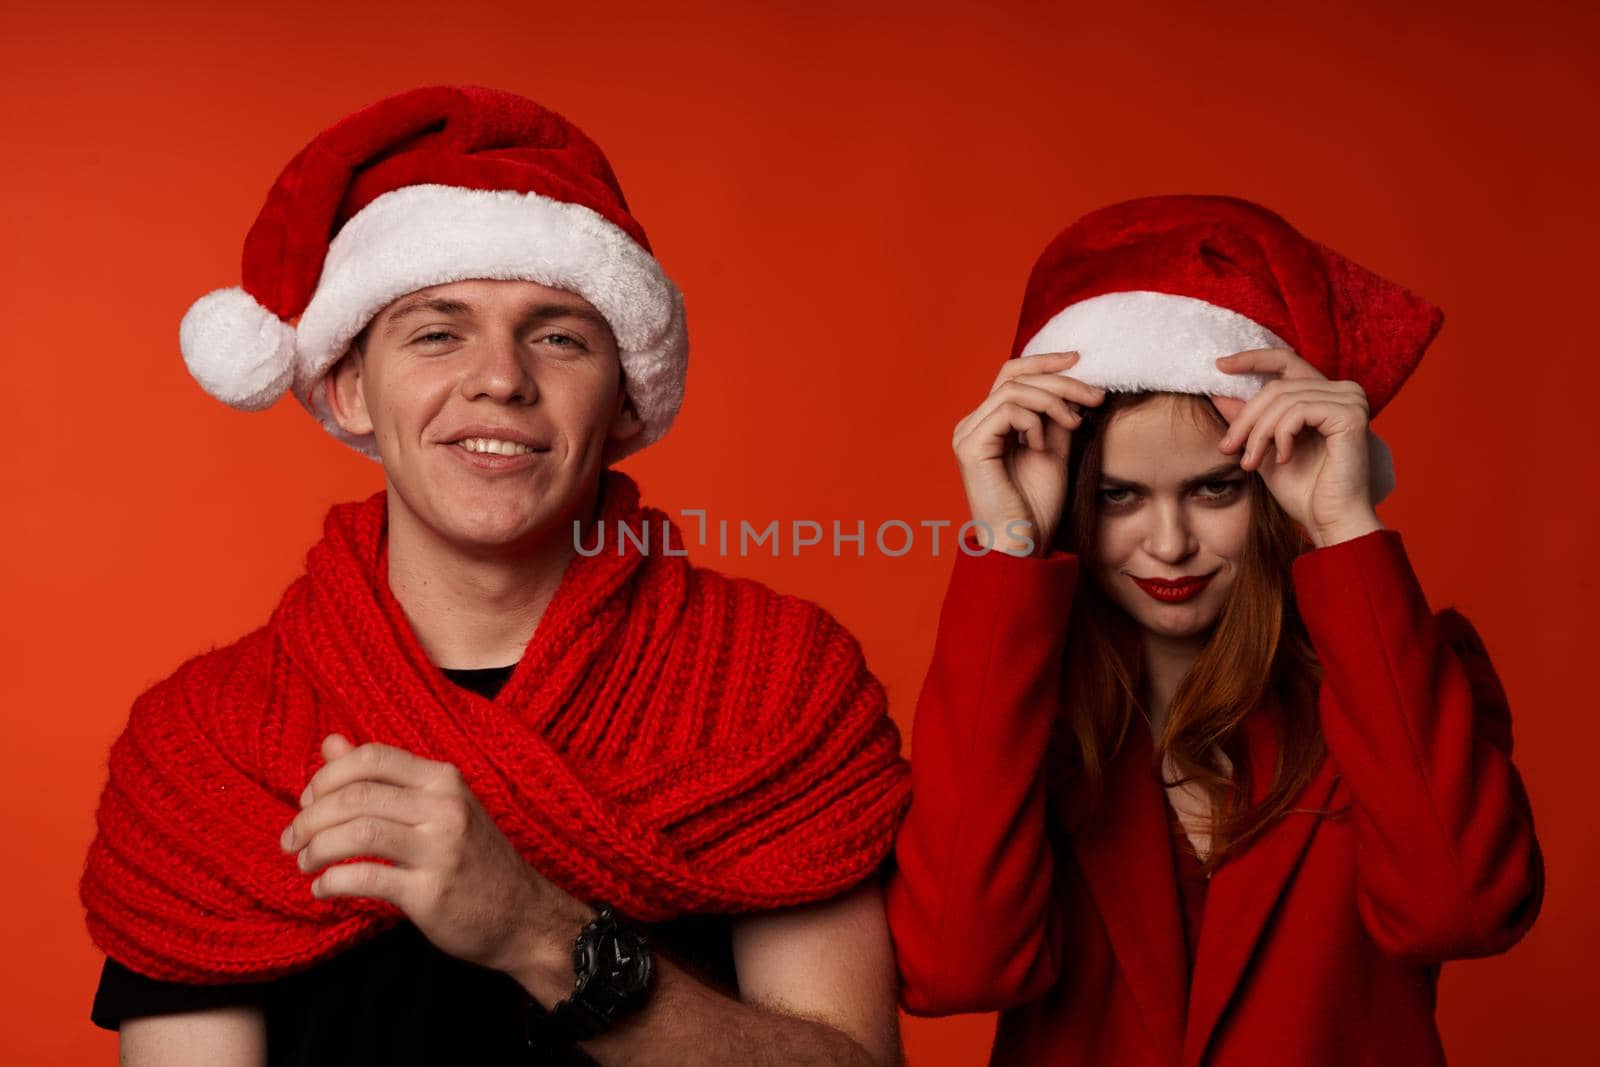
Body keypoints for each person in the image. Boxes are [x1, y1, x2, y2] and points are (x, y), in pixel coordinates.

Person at [80, 84, 910, 1067]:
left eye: (558, 334)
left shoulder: (777, 682)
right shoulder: (204, 746)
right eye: (438, 331)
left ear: (628, 400)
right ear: (348, 387)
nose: (502, 377)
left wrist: (537, 931)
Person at [885, 194, 1543, 1066]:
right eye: (1119, 495)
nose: (1169, 544)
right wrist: (1011, 548)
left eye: (1213, 489)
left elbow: (1462, 908)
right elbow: (953, 969)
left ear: (1270, 481)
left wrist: (1346, 526)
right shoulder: (1017, 707)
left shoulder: (1413, 674)